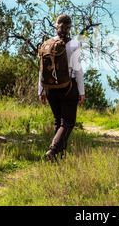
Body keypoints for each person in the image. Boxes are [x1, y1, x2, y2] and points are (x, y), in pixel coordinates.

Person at [38, 14, 85, 162]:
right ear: (70, 27)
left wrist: (40, 90)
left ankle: (59, 156)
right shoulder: (74, 44)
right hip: (68, 87)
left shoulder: (46, 44)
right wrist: (82, 92)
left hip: (50, 88)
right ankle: (52, 151)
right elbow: (78, 70)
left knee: (58, 121)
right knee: (68, 122)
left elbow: (41, 70)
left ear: (56, 25)